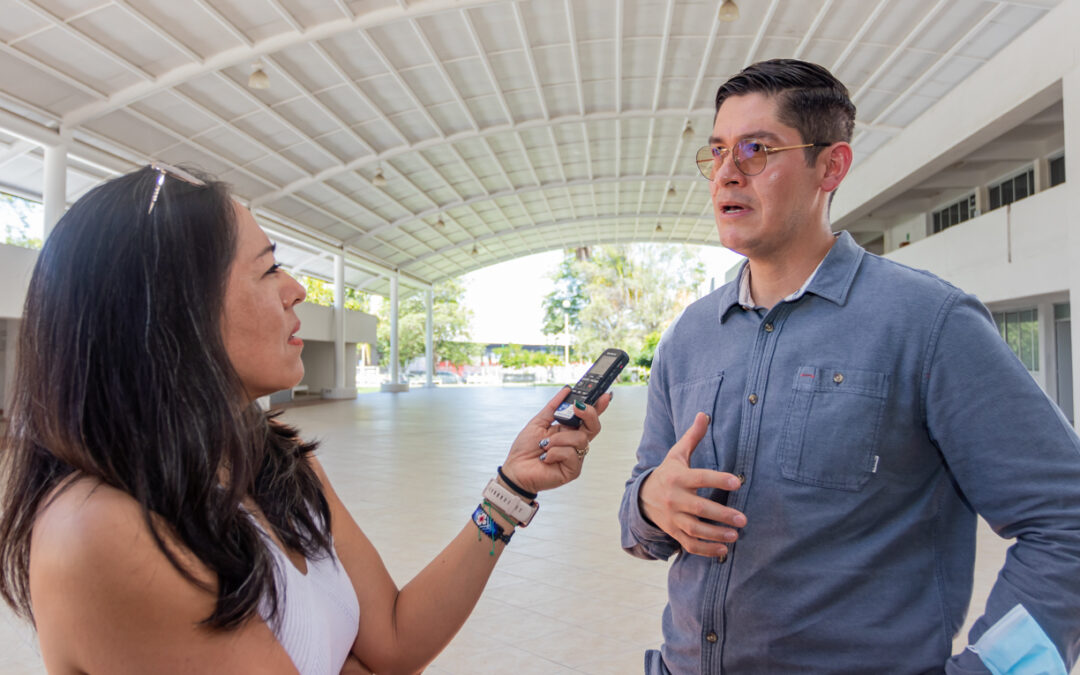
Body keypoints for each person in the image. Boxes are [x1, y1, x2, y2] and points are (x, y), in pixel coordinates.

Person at [0, 164, 610, 674]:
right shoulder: (103, 530)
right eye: (268, 268)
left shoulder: (272, 458)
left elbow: (394, 640)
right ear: (172, 311)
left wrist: (510, 490)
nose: (296, 289)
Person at [618, 58, 1080, 674]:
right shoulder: (689, 336)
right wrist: (650, 503)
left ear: (830, 167)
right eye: (719, 151)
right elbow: (637, 523)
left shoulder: (927, 323)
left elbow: (1067, 520)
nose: (727, 172)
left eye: (756, 150)